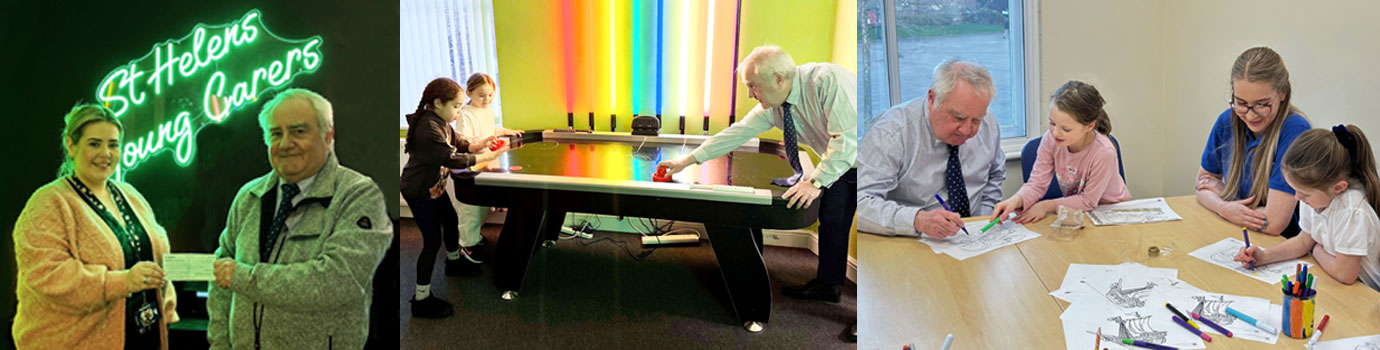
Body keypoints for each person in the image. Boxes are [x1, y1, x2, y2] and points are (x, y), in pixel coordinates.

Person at [657, 45, 857, 302]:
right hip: (843, 165)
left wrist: (815, 182)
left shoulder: (827, 81)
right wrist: (686, 161)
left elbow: (847, 138)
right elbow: (736, 133)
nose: (751, 95)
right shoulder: (774, 106)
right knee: (833, 221)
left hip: (875, 160)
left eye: (754, 86)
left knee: (878, 235)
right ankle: (828, 286)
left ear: (779, 78)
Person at [206, 88, 392, 349]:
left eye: (299, 131)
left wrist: (243, 276)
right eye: (276, 134)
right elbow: (220, 281)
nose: (285, 143)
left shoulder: (358, 195)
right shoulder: (249, 197)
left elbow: (337, 281)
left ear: (328, 137)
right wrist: (220, 345)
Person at [12, 104, 176, 349]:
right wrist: (122, 282)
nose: (105, 154)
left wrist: (168, 306)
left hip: (144, 334)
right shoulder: (48, 203)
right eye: (94, 144)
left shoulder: (130, 195)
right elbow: (47, 276)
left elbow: (155, 255)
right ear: (71, 146)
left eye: (113, 144)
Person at [857, 59, 1005, 238]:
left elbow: (995, 175)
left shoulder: (989, 123)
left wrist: (982, 220)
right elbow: (860, 203)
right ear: (932, 98)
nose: (967, 130)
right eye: (958, 117)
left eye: (976, 120)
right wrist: (917, 220)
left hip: (972, 238)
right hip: (909, 239)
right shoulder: (891, 133)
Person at [401, 77, 507, 318]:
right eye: (457, 106)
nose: (460, 110)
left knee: (450, 220)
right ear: (438, 102)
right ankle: (421, 298)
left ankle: (454, 262)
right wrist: (487, 157)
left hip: (433, 188)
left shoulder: (442, 122)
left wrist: (484, 143)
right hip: (419, 191)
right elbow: (453, 159)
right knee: (431, 242)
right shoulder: (428, 128)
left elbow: (461, 145)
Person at [1235, 125, 1380, 291]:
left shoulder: (1352, 210)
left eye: (1304, 193)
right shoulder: (1314, 198)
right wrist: (1264, 256)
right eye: (1295, 190)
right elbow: (1304, 241)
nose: (1297, 198)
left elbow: (1345, 275)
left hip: (1366, 294)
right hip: (1338, 285)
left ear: (1338, 188)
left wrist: (1316, 249)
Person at [1197, 46, 1311, 237]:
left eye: (1261, 105)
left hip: (1279, 245)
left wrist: (1222, 203)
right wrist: (1224, 207)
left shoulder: (1295, 131)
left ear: (1282, 93)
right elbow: (1201, 184)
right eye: (1241, 103)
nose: (1250, 115)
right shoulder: (1227, 120)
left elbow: (1274, 223)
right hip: (1237, 233)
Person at [991, 80, 1130, 224]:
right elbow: (1036, 184)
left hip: (1113, 212)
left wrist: (1047, 205)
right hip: (1083, 213)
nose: (1056, 133)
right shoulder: (1050, 139)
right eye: (1052, 123)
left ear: (1089, 126)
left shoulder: (1104, 152)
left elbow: (1088, 201)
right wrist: (1015, 201)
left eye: (1066, 129)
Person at [447, 72, 523, 263]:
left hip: (485, 163)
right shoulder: (465, 114)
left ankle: (474, 238)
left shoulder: (487, 111)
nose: (486, 99)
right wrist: (484, 142)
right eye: (481, 95)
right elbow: (463, 141)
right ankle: (467, 245)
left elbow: (491, 129)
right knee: (470, 209)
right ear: (469, 93)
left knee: (482, 206)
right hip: (469, 167)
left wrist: (506, 132)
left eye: (490, 95)